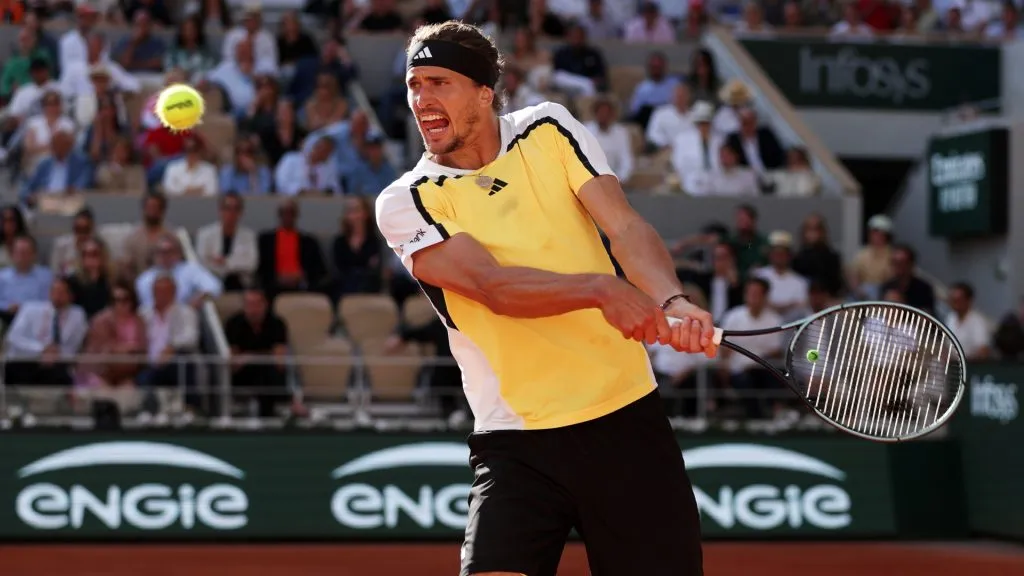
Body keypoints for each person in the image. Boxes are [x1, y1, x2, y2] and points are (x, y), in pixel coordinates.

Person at [375, 21, 716, 576]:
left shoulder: (549, 128)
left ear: (483, 93)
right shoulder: (406, 200)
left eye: (439, 82)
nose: (421, 99)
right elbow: (492, 287)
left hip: (625, 421)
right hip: (515, 442)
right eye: (414, 85)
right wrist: (601, 290)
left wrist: (672, 299)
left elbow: (625, 227)